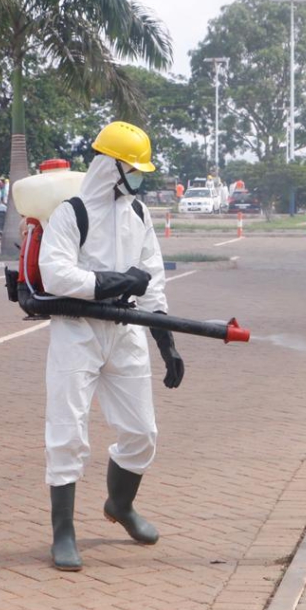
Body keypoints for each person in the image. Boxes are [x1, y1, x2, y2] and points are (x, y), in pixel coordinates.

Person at [37, 120, 185, 572]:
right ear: (112, 166)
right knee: (67, 434)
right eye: (134, 169)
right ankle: (63, 533)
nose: (140, 177)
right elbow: (55, 274)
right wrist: (117, 281)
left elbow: (153, 284)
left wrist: (167, 344)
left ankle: (120, 506)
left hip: (127, 333)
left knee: (142, 433)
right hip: (77, 330)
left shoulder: (139, 214)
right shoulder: (72, 212)